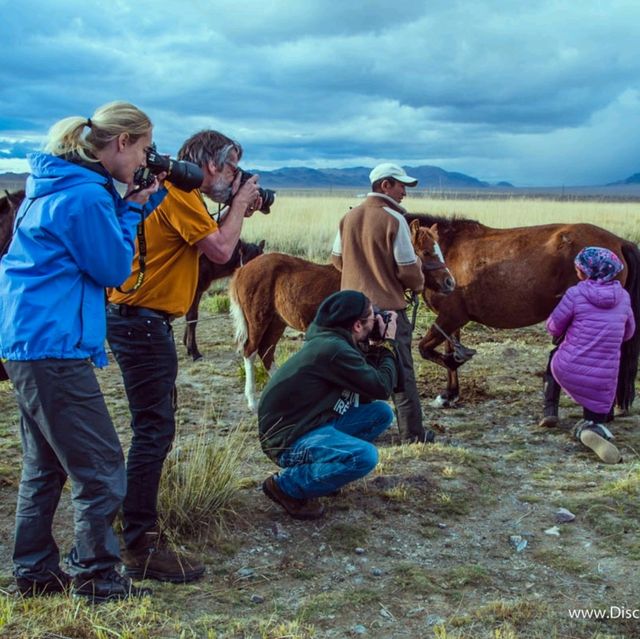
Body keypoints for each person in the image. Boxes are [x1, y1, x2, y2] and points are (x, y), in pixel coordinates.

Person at [0, 101, 164, 601]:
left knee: (45, 464)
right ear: (120, 142)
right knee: (101, 467)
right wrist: (133, 208)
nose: (143, 160)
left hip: (28, 342)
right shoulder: (87, 197)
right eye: (141, 149)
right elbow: (113, 270)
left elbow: (89, 241)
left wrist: (136, 203)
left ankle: (33, 571)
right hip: (53, 347)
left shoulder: (57, 184)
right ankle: (95, 575)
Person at [106, 130, 260, 583]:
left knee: (153, 424)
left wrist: (233, 208)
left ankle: (133, 523)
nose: (233, 177)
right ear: (213, 164)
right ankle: (139, 542)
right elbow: (220, 249)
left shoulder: (168, 187)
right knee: (154, 430)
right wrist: (238, 207)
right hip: (142, 322)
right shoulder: (180, 193)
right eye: (231, 168)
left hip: (136, 319)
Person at [258, 290, 398, 519]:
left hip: (311, 423)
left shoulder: (334, 342)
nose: (378, 319)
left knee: (380, 414)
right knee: (364, 457)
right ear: (356, 326)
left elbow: (372, 389)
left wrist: (374, 345)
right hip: (289, 440)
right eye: (373, 316)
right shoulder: (334, 350)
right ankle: (286, 486)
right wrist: (388, 345)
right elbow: (381, 387)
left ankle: (326, 475)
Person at [331, 163, 433, 444]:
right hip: (388, 311)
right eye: (401, 186)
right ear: (385, 186)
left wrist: (358, 275)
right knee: (402, 372)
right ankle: (413, 435)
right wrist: (418, 282)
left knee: (359, 371)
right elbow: (407, 269)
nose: (404, 193)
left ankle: (362, 429)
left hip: (353, 314)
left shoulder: (348, 218)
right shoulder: (394, 219)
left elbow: (336, 259)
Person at [545, 247, 635, 464]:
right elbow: (629, 332)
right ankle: (591, 425)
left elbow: (553, 327)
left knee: (553, 358)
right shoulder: (623, 296)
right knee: (597, 396)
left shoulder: (576, 294)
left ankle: (550, 409)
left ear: (585, 273)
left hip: (569, 369)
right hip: (605, 378)